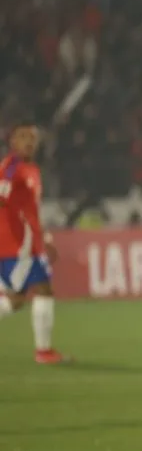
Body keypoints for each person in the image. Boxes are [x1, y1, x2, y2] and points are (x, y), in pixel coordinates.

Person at [0, 122, 68, 364]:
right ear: (12, 142)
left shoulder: (32, 169)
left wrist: (45, 238)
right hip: (17, 245)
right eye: (22, 137)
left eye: (32, 138)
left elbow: (31, 210)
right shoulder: (11, 168)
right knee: (43, 289)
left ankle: (44, 351)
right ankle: (44, 351)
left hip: (27, 244)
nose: (28, 141)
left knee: (15, 300)